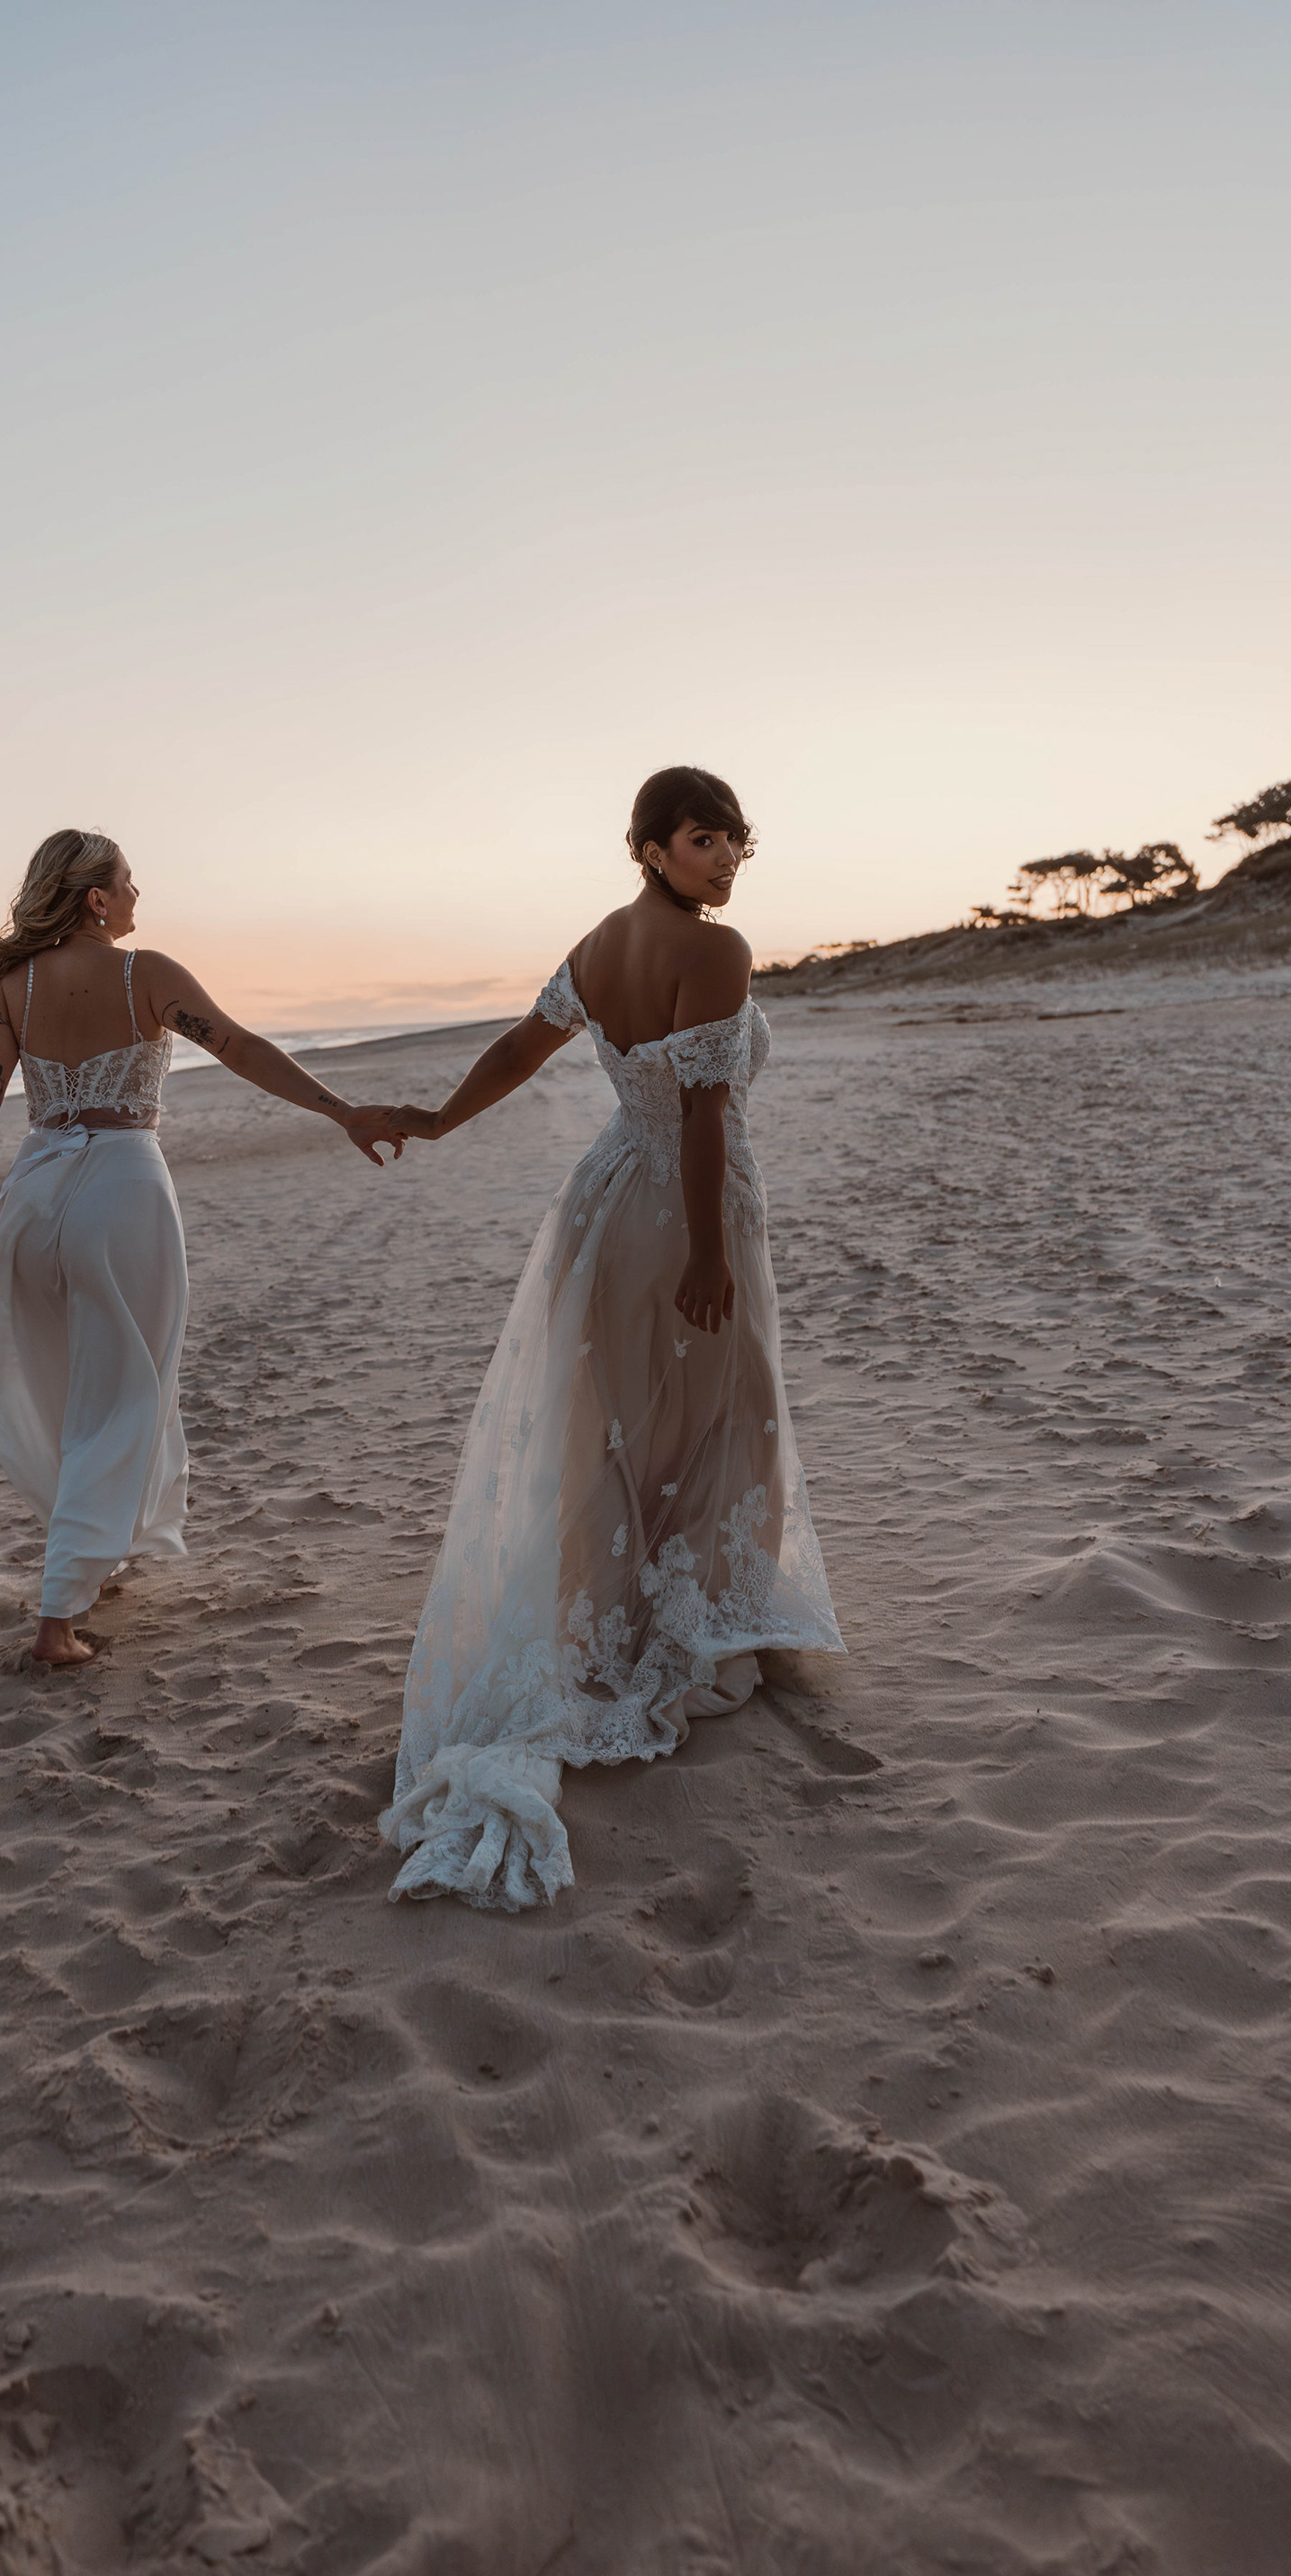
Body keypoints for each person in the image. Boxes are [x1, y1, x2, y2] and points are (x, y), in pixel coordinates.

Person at [378, 766, 844, 1910]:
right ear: (647, 846)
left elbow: (518, 1049)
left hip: (601, 1200)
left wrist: (439, 1117)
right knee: (728, 1408)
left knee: (621, 1421)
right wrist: (706, 1251)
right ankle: (700, 1629)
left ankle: (636, 1617)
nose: (725, 860)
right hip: (686, 1205)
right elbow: (700, 1113)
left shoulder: (595, 946)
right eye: (701, 841)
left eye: (736, 841)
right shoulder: (718, 954)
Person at [0, 828, 405, 1664]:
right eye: (128, 883)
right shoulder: (146, 974)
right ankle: (58, 1618)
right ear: (96, 897)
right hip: (122, 1190)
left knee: (63, 1388)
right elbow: (239, 1047)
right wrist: (342, 1111)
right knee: (126, 1390)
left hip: (32, 1197)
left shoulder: (7, 988)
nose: (137, 897)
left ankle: (90, 1559)